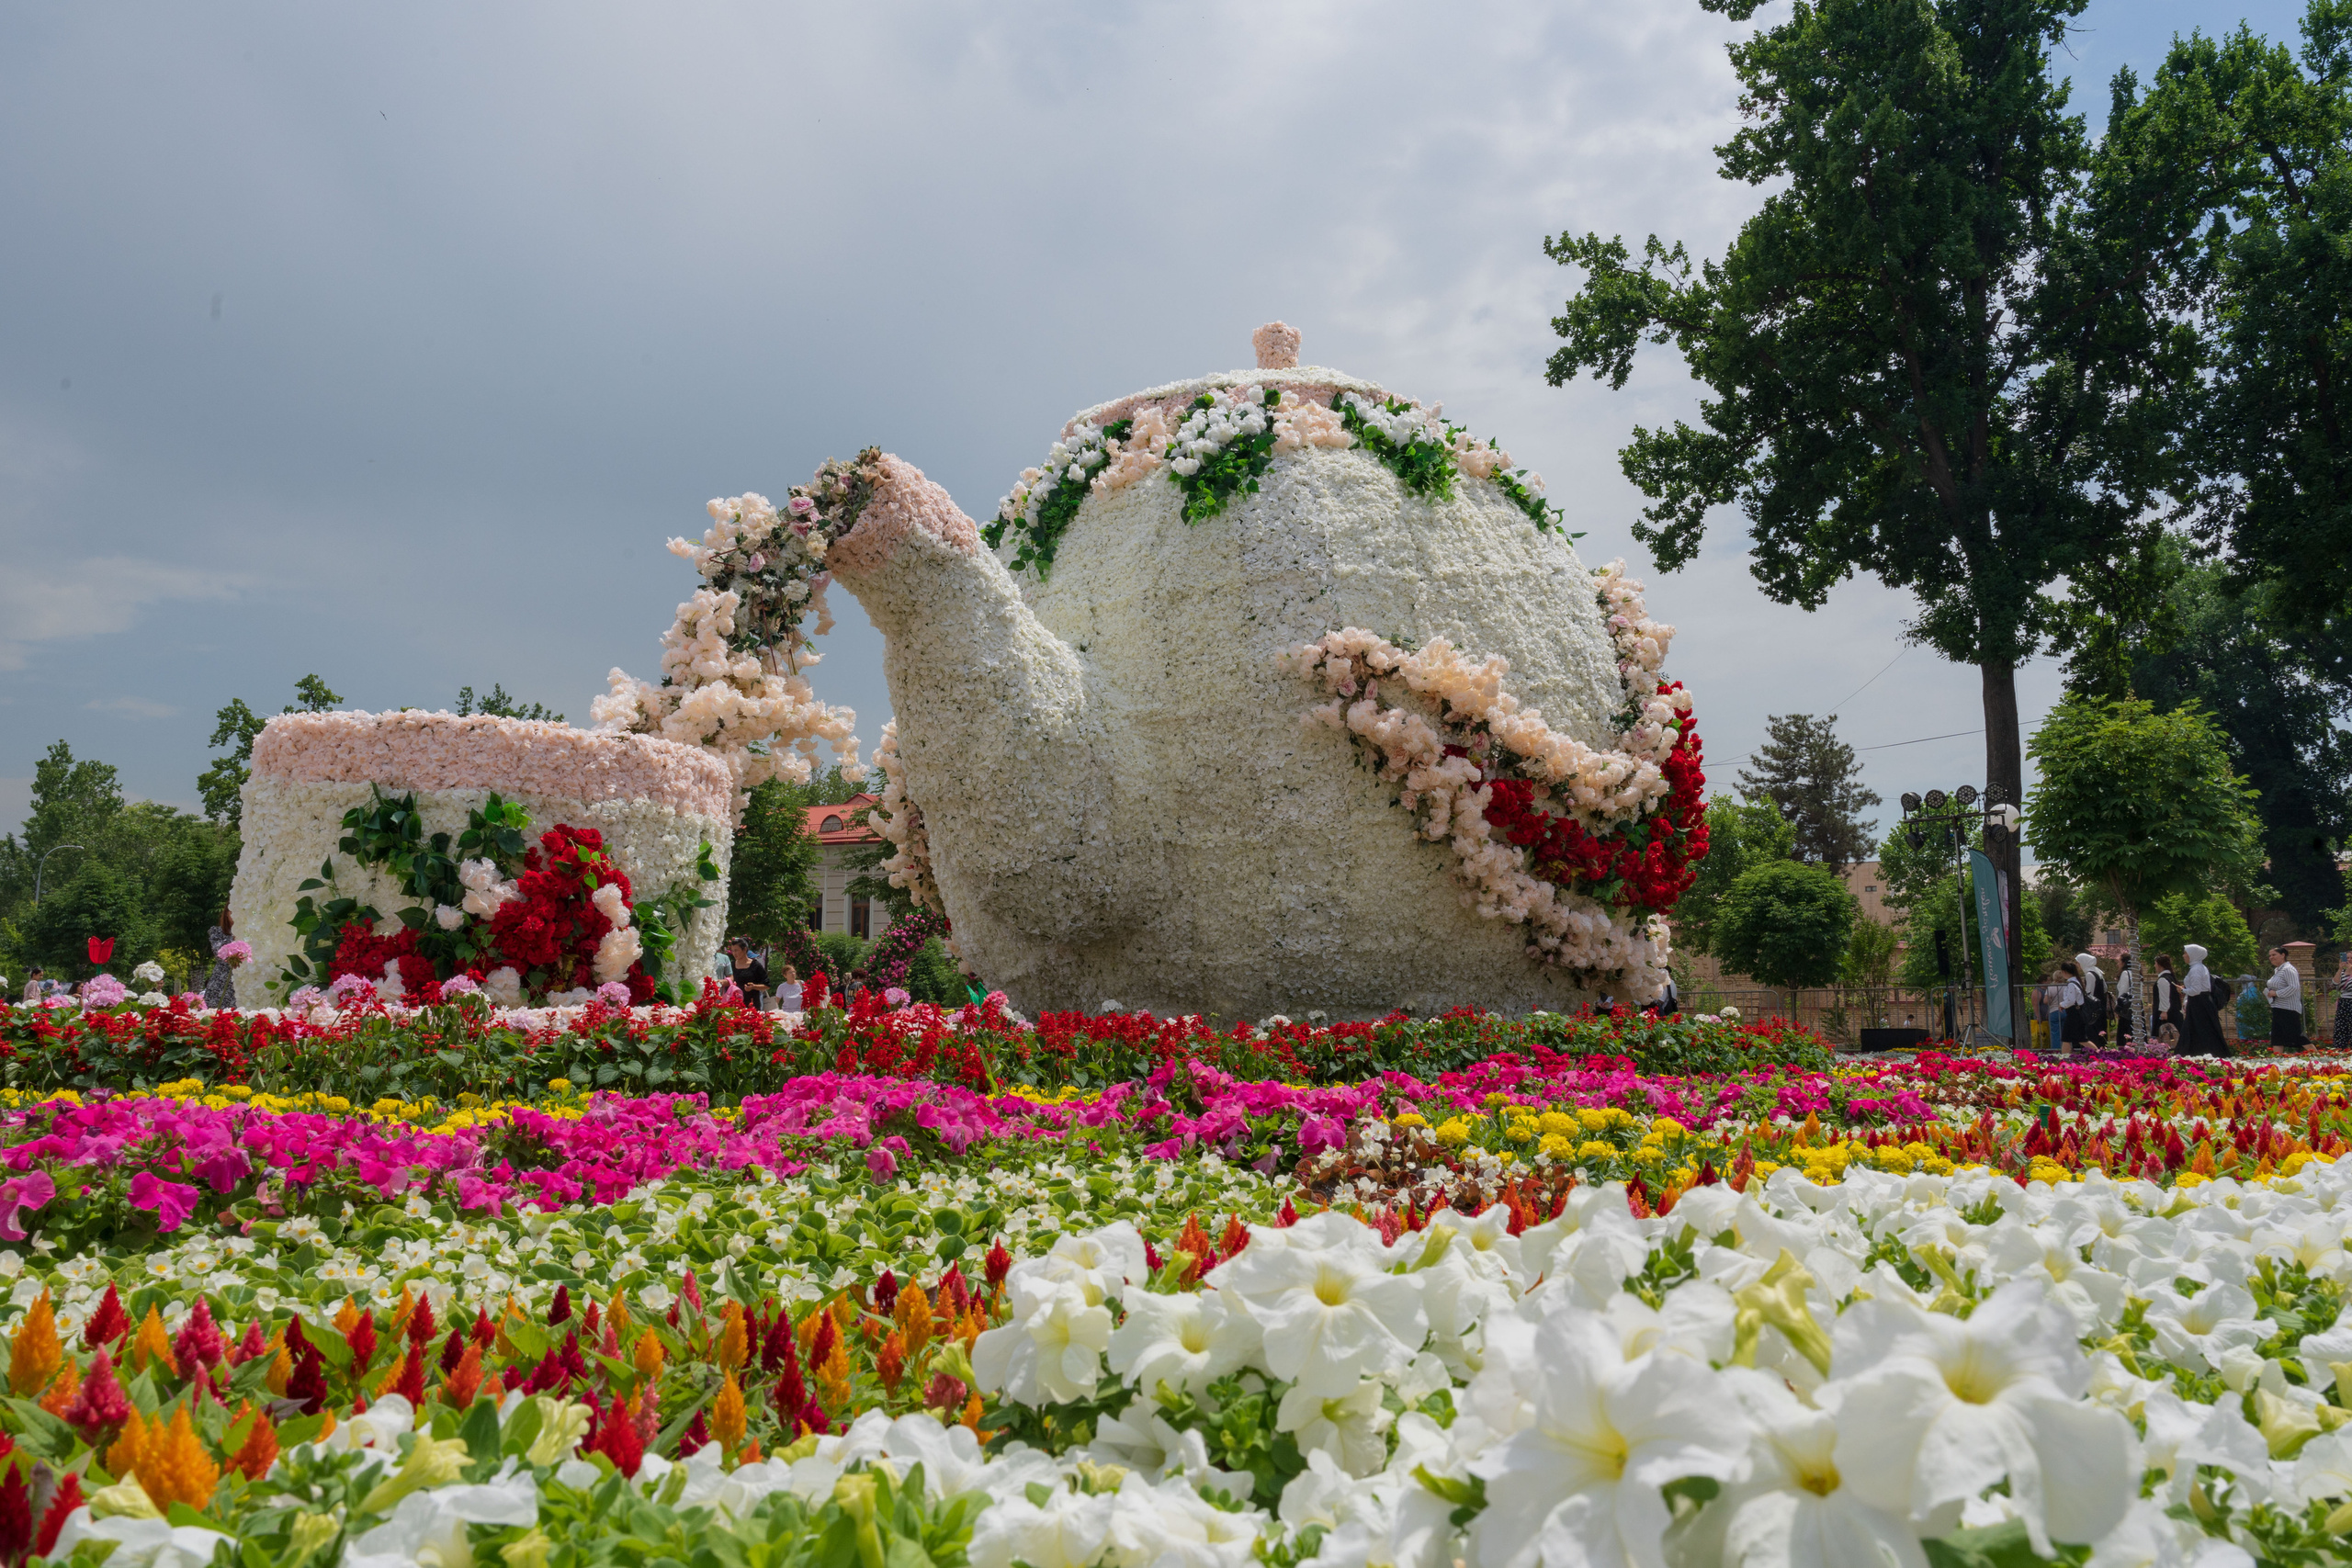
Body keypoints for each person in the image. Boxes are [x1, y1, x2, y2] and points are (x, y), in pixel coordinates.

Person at [2181, 943, 2227, 1055]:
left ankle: (2198, 1053)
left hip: (2198, 1003)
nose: (2183, 956)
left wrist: (2183, 991)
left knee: (2200, 1029)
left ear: (2193, 955)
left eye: (2186, 953)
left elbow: (2196, 990)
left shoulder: (2196, 969)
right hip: (2201, 1002)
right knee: (2203, 1029)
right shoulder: (2199, 967)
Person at [2267, 946, 2305, 1051]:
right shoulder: (2278, 970)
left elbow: (2294, 987)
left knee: (2296, 1035)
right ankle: (2277, 1061)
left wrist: (2277, 993)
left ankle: (2318, 1057)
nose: (2271, 957)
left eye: (2274, 955)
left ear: (2283, 955)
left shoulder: (2288, 969)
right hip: (2278, 1007)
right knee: (2277, 1036)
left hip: (2288, 1008)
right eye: (2270, 956)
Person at [201, 908, 238, 1010]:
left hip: (243, 980)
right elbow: (219, 953)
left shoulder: (252, 932)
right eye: (232, 910)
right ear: (226, 913)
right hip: (222, 981)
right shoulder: (218, 932)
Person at [2075, 953, 2109, 1049]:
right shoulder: (2097, 972)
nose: (2077, 965)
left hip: (2093, 1009)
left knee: (2092, 1032)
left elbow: (2089, 993)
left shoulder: (2089, 974)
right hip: (2100, 1007)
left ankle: (2094, 1051)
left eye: (2078, 963)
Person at [724, 940, 768, 1009]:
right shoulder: (731, 965)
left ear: (744, 949)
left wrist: (753, 987)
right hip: (735, 1005)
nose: (734, 953)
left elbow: (767, 985)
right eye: (732, 951)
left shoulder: (755, 965)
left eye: (736, 950)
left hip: (752, 1004)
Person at [2051, 962, 2083, 1056]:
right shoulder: (2077, 982)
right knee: (2067, 1037)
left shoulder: (2071, 984)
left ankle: (2064, 1057)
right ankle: (2064, 1057)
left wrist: (2062, 1004)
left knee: (2075, 1038)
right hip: (2075, 1012)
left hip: (2073, 1013)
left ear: (2064, 972)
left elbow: (2071, 1000)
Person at [2233, 975, 2269, 1049]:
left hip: (2250, 1020)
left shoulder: (2252, 993)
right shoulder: (2245, 992)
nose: (2243, 984)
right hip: (2242, 1020)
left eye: (2245, 982)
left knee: (2251, 1038)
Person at [2154, 954, 2184, 1039]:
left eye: (2155, 963)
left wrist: (2164, 1011)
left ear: (2160, 965)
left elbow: (2164, 996)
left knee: (2165, 1037)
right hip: (2174, 1011)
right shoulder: (2171, 977)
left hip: (2167, 1014)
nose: (2154, 966)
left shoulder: (2163, 979)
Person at [2115, 953, 2139, 1046]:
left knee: (2125, 1033)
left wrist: (2118, 1009)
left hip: (2127, 1008)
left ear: (2124, 963)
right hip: (2136, 1005)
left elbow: (2123, 992)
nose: (2118, 964)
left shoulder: (2125, 973)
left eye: (2119, 961)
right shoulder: (2136, 973)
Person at [2334, 950, 2352, 1051]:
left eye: (2351, 958)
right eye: (2347, 958)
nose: (2349, 960)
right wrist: (2340, 969)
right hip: (2344, 1002)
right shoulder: (2343, 972)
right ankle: (2340, 1049)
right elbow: (2335, 983)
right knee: (2341, 1027)